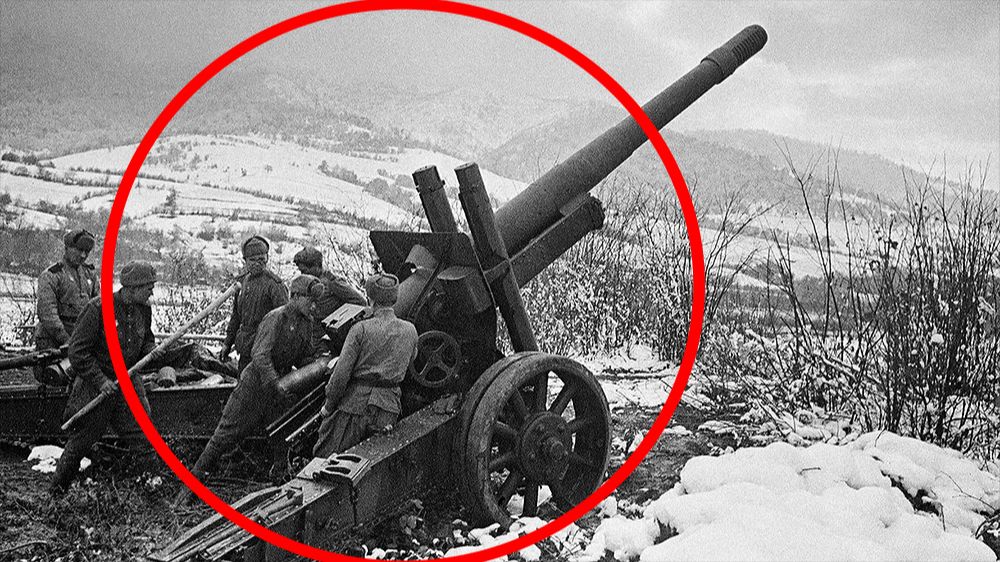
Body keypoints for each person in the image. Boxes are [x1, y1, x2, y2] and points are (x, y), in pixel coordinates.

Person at [173, 275, 325, 507]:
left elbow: (302, 356)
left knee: (282, 436)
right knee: (224, 436)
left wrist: (319, 364)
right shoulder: (276, 318)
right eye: (309, 300)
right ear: (295, 297)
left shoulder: (306, 323)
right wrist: (275, 383)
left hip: (278, 387)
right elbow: (260, 355)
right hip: (254, 385)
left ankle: (280, 485)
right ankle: (188, 489)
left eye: (315, 301)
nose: (313, 306)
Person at [49, 261, 158, 495]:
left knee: (144, 435)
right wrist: (100, 381)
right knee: (83, 440)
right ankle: (56, 493)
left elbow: (146, 341)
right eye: (149, 288)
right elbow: (77, 352)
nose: (152, 293)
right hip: (96, 384)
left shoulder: (143, 309)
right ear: (133, 288)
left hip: (128, 380)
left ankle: (151, 490)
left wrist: (152, 351)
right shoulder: (97, 309)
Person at [313, 273, 418, 458]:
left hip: (356, 406)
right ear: (394, 299)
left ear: (371, 299)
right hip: (388, 408)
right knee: (375, 460)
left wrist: (328, 407)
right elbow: (410, 361)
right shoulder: (410, 330)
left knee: (326, 456)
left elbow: (340, 376)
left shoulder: (360, 329)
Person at [220, 236, 287, 373]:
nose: (257, 264)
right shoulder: (242, 283)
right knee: (243, 382)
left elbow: (285, 321)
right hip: (245, 348)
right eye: (252, 260)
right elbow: (236, 317)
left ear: (267, 258)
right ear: (245, 260)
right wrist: (227, 343)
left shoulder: (274, 285)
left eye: (261, 259)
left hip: (265, 351)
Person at [35, 228, 100, 353]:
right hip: (52, 340)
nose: (83, 255)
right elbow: (47, 314)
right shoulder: (52, 275)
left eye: (86, 251)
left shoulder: (90, 274)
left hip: (79, 338)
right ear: (67, 248)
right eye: (79, 250)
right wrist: (66, 340)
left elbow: (98, 307)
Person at [292, 246, 366, 351]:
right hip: (312, 340)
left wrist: (338, 320)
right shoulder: (308, 284)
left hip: (329, 342)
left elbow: (360, 302)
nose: (303, 275)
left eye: (305, 271)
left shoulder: (331, 282)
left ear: (316, 266)